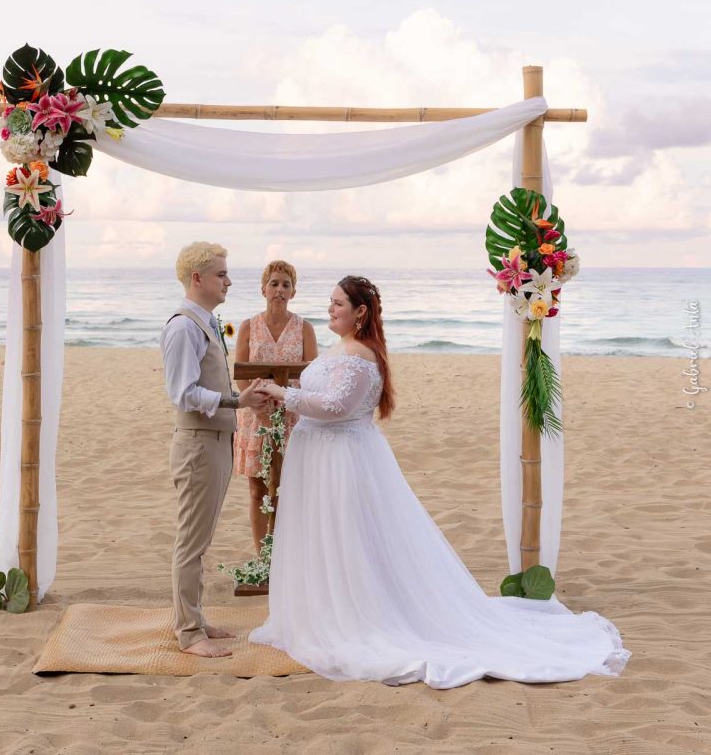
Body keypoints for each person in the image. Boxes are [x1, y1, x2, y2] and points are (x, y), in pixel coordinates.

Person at [250, 275, 630, 689]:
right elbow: (319, 399)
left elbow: (337, 407)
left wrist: (282, 393)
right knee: (326, 536)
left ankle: (350, 614)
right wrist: (279, 397)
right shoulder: (340, 348)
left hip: (340, 460)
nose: (330, 308)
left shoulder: (359, 354)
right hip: (320, 457)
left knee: (347, 537)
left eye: (338, 303)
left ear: (360, 312)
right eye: (330, 301)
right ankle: (323, 609)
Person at [161, 242, 268, 658]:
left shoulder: (204, 323)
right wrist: (237, 402)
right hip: (198, 446)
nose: (229, 281)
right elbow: (183, 393)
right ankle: (189, 633)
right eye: (221, 274)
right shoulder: (183, 327)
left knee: (200, 539)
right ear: (197, 278)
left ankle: (196, 619)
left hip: (216, 443)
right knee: (191, 541)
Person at [233, 260, 318, 553]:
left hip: (292, 417)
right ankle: (262, 557)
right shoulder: (248, 327)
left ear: (293, 292)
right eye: (274, 284)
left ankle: (286, 555)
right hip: (255, 417)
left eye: (286, 285)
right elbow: (240, 375)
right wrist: (257, 406)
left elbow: (311, 376)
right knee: (258, 489)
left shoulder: (305, 328)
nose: (279, 289)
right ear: (263, 289)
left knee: (289, 489)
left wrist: (289, 402)